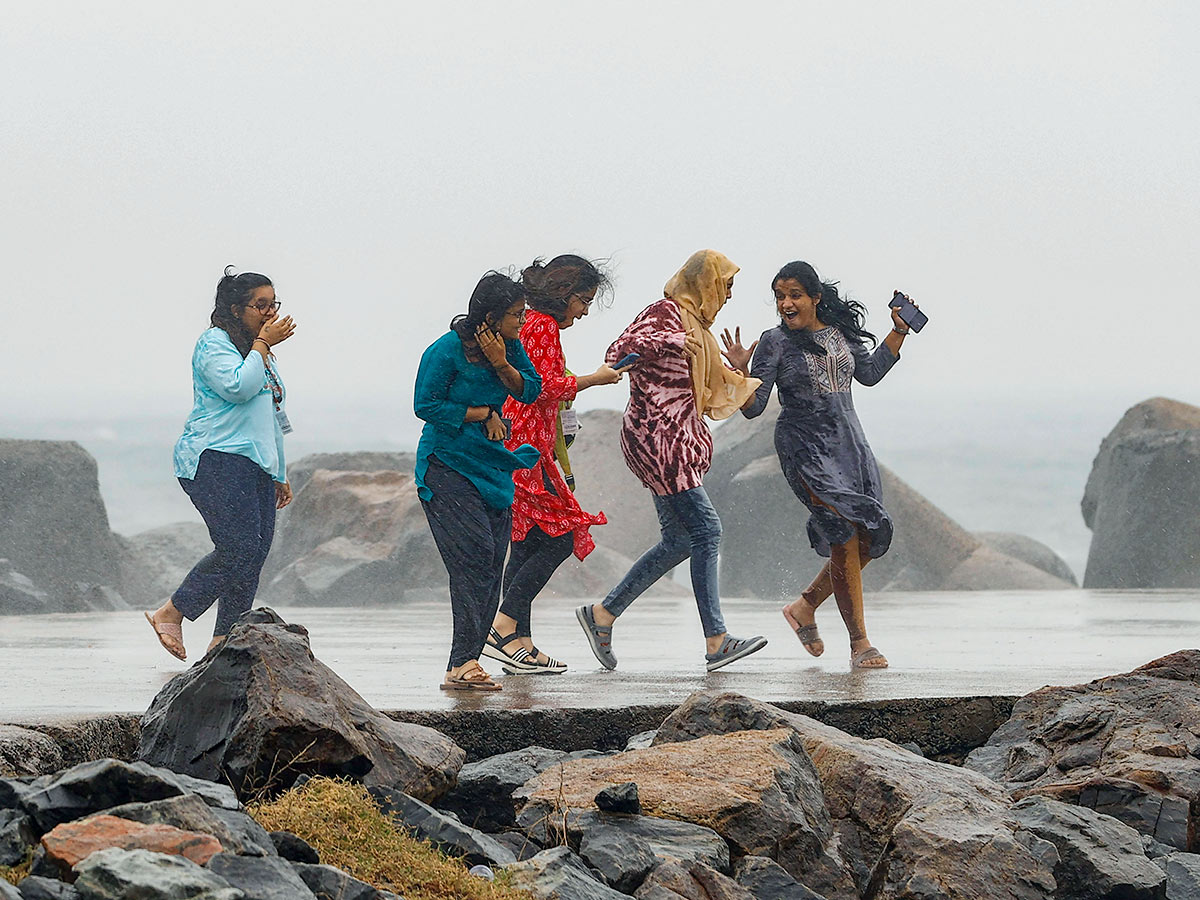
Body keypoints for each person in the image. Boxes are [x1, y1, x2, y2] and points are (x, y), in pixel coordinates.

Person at [576, 249, 768, 672]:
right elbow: (617, 352)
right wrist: (670, 339)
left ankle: (602, 615)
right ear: (705, 282)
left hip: (675, 440)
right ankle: (717, 640)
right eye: (727, 285)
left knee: (680, 540)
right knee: (707, 530)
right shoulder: (667, 314)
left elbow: (722, 389)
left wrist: (736, 367)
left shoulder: (700, 328)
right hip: (657, 437)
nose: (730, 295)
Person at [721, 260, 916, 669]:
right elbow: (754, 408)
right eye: (779, 296)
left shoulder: (841, 334)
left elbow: (871, 373)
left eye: (794, 295)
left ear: (815, 298)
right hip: (804, 447)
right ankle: (860, 643)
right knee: (842, 536)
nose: (786, 304)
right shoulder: (773, 342)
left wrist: (898, 330)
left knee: (866, 540)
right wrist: (740, 374)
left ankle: (805, 607)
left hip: (850, 447)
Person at [482, 255, 629, 675]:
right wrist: (594, 379)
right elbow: (542, 388)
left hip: (517, 443)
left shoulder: (526, 322)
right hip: (528, 448)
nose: (583, 311)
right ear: (563, 294)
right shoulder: (542, 325)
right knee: (562, 536)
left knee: (527, 542)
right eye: (583, 300)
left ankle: (519, 644)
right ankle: (502, 626)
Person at [145, 266, 297, 661]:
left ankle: (223, 641)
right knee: (239, 548)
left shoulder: (258, 351)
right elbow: (238, 388)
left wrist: (279, 471)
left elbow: (272, 413)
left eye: (272, 304)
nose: (268, 312)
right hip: (214, 458)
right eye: (259, 305)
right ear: (234, 309)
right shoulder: (214, 344)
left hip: (255, 464)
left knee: (256, 551)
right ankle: (172, 612)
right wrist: (263, 344)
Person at [414, 272, 543, 691]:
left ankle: (465, 662)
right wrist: (481, 413)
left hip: (491, 466)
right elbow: (425, 404)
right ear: (490, 315)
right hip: (445, 462)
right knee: (474, 554)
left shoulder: (511, 348)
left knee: (491, 563)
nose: (521, 322)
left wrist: (503, 362)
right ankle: (461, 661)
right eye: (514, 315)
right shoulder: (447, 350)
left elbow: (530, 390)